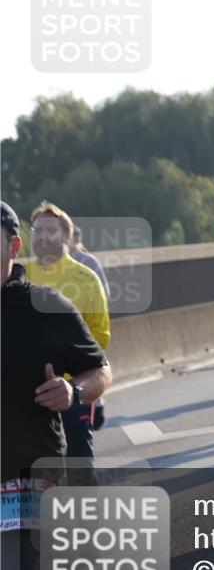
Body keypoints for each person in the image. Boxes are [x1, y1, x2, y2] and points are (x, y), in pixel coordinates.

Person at [1, 202, 112, 570]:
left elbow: (100, 368)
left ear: (13, 246)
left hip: (24, 472)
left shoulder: (46, 305)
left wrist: (73, 391)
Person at [24, 202, 110, 471]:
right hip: (27, 392)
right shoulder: (20, 275)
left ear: (66, 236)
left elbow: (100, 333)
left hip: (72, 389)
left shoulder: (86, 278)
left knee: (79, 464)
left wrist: (73, 369)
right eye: (37, 230)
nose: (41, 236)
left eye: (50, 230)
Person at [69, 225, 110, 430]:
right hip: (63, 331)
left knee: (93, 369)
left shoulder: (89, 263)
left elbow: (104, 294)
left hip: (86, 328)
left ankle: (96, 406)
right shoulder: (53, 264)